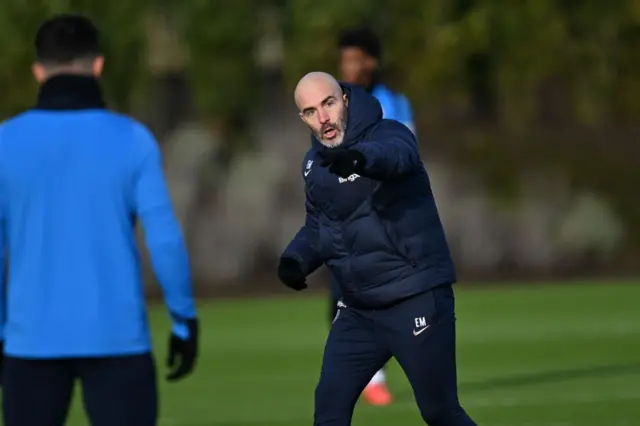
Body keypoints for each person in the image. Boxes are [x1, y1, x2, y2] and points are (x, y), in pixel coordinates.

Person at [0, 14, 199, 426]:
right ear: (98, 65)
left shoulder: (6, 142)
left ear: (39, 71)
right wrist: (183, 319)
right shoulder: (132, 139)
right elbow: (163, 238)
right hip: (117, 337)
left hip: (29, 340)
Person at [277, 71, 477, 426]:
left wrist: (359, 159)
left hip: (414, 297)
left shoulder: (388, 132)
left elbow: (396, 156)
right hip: (359, 310)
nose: (323, 118)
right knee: (329, 409)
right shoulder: (314, 165)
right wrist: (296, 259)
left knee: (440, 411)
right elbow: (319, 225)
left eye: (328, 103)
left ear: (345, 100)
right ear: (303, 119)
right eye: (311, 111)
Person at [328, 26, 416, 405]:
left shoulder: (394, 104)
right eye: (343, 58)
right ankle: (369, 376)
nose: (348, 66)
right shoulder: (333, 104)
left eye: (354, 58)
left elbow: (406, 153)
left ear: (371, 62)